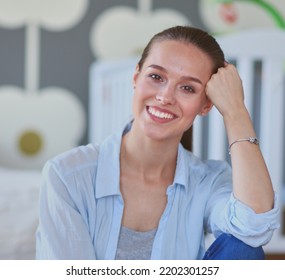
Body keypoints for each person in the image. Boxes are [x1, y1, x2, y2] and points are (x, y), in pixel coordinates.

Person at [36, 25, 279, 260]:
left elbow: (254, 225)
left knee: (245, 249)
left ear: (205, 105)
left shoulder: (208, 181)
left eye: (187, 88)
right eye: (155, 76)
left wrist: (235, 111)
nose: (165, 97)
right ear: (136, 77)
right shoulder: (67, 175)